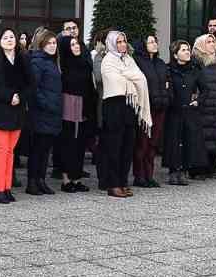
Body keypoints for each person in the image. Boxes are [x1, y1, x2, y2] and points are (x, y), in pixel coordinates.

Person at [0, 28, 32, 204]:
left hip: (17, 110)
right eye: (5, 37)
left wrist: (20, 97)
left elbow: (31, 83)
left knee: (10, 150)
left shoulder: (23, 58)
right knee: (0, 150)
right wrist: (8, 96)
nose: (9, 40)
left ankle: (7, 187)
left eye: (12, 37)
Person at [98, 30, 151, 198]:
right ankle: (112, 184)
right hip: (114, 105)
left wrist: (129, 77)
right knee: (114, 146)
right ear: (112, 43)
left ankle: (123, 181)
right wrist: (131, 78)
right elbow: (116, 81)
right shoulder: (108, 60)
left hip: (130, 106)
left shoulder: (129, 59)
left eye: (123, 41)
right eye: (118, 42)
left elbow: (142, 79)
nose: (122, 45)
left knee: (128, 146)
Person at [26, 29, 63, 195]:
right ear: (41, 44)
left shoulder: (53, 61)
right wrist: (46, 104)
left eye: (54, 43)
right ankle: (32, 182)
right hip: (41, 112)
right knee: (37, 149)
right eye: (49, 43)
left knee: (45, 150)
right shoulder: (37, 61)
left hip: (52, 112)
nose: (52, 46)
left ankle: (41, 180)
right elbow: (34, 88)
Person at [58, 34, 94, 192]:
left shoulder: (85, 63)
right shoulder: (64, 65)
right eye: (72, 45)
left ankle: (77, 178)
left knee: (80, 143)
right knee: (68, 142)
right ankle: (66, 180)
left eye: (77, 44)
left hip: (84, 106)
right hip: (69, 105)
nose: (76, 47)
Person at [132, 36, 169, 188]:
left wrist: (167, 97)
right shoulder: (138, 62)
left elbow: (167, 81)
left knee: (153, 143)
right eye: (151, 42)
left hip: (160, 107)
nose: (155, 44)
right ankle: (139, 175)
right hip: (145, 107)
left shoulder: (160, 63)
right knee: (142, 142)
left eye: (156, 41)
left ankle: (149, 175)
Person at [191, 35, 216, 177]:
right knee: (203, 137)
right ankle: (198, 169)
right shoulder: (196, 62)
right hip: (203, 105)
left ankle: (211, 168)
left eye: (213, 41)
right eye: (209, 42)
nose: (213, 44)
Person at [164, 41, 200, 185]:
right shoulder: (168, 70)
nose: (187, 52)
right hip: (173, 110)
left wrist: (198, 100)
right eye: (184, 50)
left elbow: (205, 88)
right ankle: (173, 170)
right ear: (175, 54)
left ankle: (184, 170)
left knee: (187, 140)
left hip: (188, 110)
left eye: (188, 49)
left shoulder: (194, 70)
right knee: (173, 140)